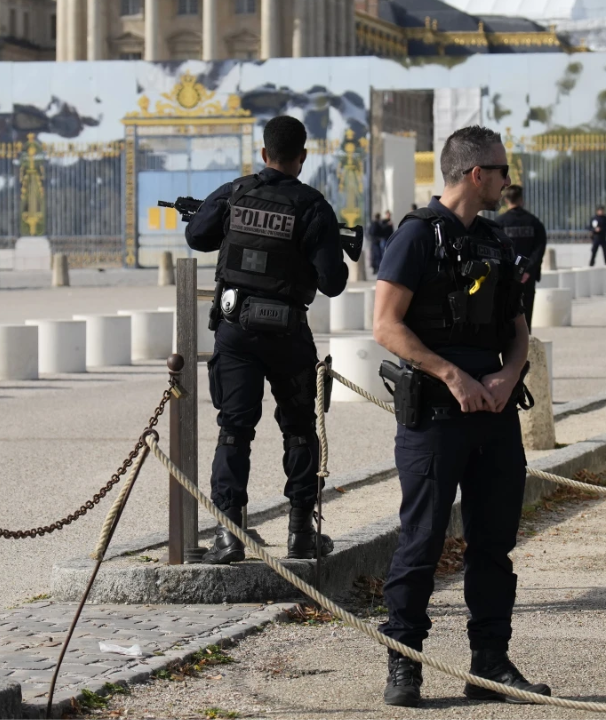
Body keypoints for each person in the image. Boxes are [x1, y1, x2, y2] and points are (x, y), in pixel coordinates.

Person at [373, 126, 549, 708]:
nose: (506, 180)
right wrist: (452, 375)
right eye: (500, 171)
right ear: (477, 175)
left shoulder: (497, 242)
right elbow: (386, 325)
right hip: (435, 417)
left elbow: (519, 332)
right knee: (421, 542)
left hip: (494, 416)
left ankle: (490, 664)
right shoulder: (417, 237)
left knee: (493, 545)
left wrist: (506, 377)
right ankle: (406, 664)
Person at [185, 115, 347, 565]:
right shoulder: (313, 206)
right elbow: (333, 283)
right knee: (298, 431)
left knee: (234, 431)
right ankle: (300, 535)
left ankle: (228, 536)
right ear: (303, 158)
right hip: (289, 334)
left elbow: (197, 235)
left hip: (237, 330)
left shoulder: (237, 192)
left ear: (263, 153)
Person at [495, 184, 548, 330]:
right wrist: (527, 271)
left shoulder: (499, 223)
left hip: (505, 277)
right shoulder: (534, 223)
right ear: (522, 200)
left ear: (506, 200)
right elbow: (539, 250)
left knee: (504, 314)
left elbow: (495, 251)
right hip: (527, 278)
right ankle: (526, 346)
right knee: (526, 315)